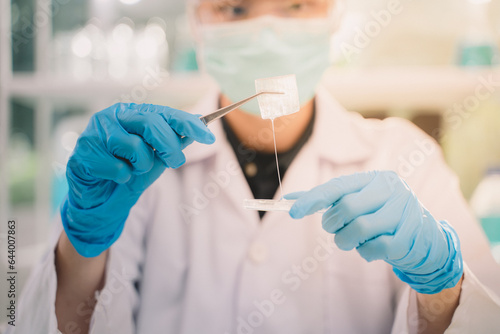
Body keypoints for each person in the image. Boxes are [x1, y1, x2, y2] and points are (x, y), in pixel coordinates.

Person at [13, 0, 500, 333]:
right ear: (197, 18)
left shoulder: (406, 159)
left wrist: (442, 285)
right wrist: (81, 243)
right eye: (236, 6)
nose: (267, 30)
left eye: (295, 4)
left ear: (333, 16)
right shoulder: (140, 168)